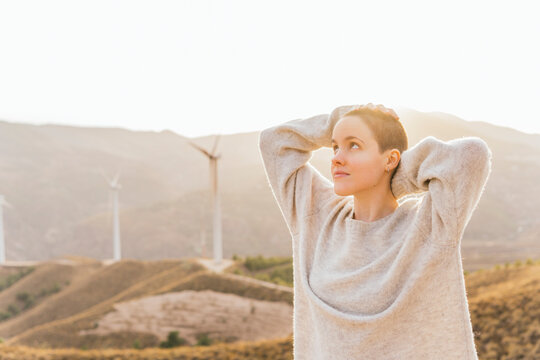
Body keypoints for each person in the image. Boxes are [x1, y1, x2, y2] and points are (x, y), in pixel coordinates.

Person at [258, 103, 492, 360]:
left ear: (390, 159)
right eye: (335, 146)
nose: (336, 157)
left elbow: (472, 154)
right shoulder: (317, 217)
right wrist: (340, 119)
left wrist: (396, 179)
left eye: (354, 145)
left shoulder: (429, 227)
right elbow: (273, 142)